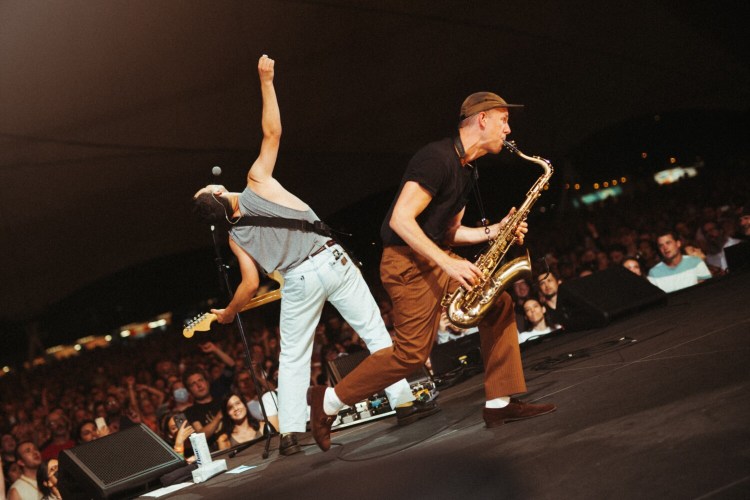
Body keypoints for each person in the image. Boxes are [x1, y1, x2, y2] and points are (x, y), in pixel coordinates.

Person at [192, 55, 421, 456]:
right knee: (373, 332)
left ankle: (291, 433)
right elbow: (273, 132)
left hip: (297, 281)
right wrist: (266, 80)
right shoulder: (255, 182)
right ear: (217, 194)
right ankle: (403, 401)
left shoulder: (234, 239)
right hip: (331, 259)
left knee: (294, 356)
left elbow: (249, 285)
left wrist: (229, 313)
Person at [305, 91, 556, 452]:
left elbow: (451, 230)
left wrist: (498, 229)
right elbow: (401, 220)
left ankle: (499, 403)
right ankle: (327, 401)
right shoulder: (436, 158)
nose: (508, 128)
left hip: (434, 255)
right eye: (503, 119)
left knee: (497, 305)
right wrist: (448, 262)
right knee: (410, 354)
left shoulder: (468, 170)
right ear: (482, 119)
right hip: (406, 262)